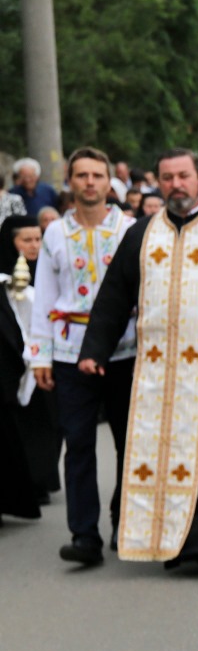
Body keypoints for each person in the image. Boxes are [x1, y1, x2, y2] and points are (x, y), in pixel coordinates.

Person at [78, 148, 198, 575]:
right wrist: (94, 349)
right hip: (155, 371)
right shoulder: (142, 234)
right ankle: (172, 540)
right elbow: (114, 297)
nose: (176, 185)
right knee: (163, 450)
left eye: (183, 176)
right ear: (159, 182)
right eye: (167, 178)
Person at [28, 149, 137, 564]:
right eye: (81, 175)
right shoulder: (54, 233)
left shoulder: (130, 228)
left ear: (110, 183)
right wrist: (39, 355)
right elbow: (45, 298)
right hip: (70, 351)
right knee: (77, 443)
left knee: (128, 442)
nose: (90, 182)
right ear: (70, 182)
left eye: (97, 175)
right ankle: (84, 534)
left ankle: (123, 519)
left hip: (124, 350)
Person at [2, 213, 61, 510]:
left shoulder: (49, 267)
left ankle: (44, 478)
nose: (34, 245)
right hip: (14, 360)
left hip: (46, 355)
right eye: (26, 240)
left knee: (48, 421)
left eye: (38, 239)